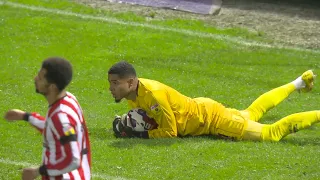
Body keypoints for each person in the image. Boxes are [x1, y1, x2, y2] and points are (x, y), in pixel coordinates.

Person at [108, 61, 319, 141]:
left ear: (131, 81)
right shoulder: (134, 94)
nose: (111, 89)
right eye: (110, 84)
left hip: (212, 120)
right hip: (203, 109)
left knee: (270, 133)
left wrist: (141, 134)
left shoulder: (152, 94)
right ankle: (301, 81)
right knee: (251, 113)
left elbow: (170, 132)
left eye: (116, 83)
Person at [4, 57, 91, 180]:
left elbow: (73, 159)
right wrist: (25, 116)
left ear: (52, 87)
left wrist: (38, 171)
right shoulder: (69, 99)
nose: (35, 79)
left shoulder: (61, 117)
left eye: (40, 78)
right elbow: (54, 128)